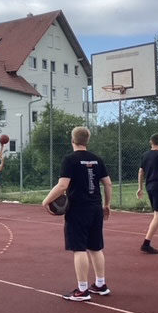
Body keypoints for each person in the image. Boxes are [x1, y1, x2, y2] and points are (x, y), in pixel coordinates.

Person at [42, 126, 112, 302]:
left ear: (72, 140)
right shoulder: (97, 159)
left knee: (79, 248)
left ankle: (82, 290)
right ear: (87, 141)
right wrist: (107, 204)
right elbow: (108, 183)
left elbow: (63, 186)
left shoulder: (70, 160)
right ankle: (100, 284)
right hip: (95, 207)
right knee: (96, 247)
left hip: (78, 209)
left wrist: (46, 200)